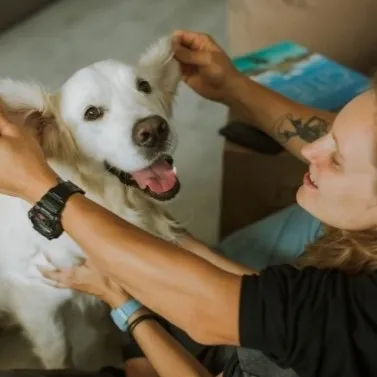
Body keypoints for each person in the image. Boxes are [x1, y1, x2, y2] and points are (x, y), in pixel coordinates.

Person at [1, 29, 377, 377]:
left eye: (339, 158)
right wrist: (234, 87)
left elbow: (220, 309)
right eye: (94, 113)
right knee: (215, 259)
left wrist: (120, 300)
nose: (308, 150)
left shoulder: (352, 312)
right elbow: (266, 295)